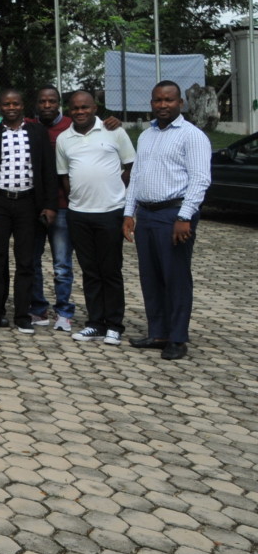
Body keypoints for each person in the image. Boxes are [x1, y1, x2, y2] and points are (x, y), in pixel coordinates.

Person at [124, 81, 211, 360]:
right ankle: (158, 332)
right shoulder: (147, 135)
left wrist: (185, 217)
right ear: (151, 102)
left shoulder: (192, 135)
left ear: (180, 103)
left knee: (175, 277)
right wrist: (129, 213)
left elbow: (200, 179)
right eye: (158, 100)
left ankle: (177, 338)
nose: (163, 105)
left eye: (169, 100)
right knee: (151, 277)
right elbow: (136, 176)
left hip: (174, 214)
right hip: (147, 214)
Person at [0, 89, 58, 335]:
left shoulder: (37, 133)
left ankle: (23, 316)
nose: (11, 107)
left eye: (15, 103)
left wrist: (50, 205)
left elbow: (48, 171)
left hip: (28, 204)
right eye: (6, 104)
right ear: (0, 107)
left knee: (25, 262)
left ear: (23, 105)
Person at [57, 90, 135, 346]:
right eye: (75, 108)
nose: (80, 112)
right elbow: (64, 176)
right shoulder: (63, 139)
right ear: (69, 110)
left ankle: (114, 325)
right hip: (79, 214)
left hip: (110, 213)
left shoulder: (114, 131)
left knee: (110, 271)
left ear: (94, 107)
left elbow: (130, 167)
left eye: (85, 107)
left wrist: (116, 193)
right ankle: (95, 323)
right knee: (90, 272)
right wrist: (77, 199)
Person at [28, 85, 74, 330]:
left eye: (52, 101)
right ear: (36, 103)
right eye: (42, 101)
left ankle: (64, 312)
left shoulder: (70, 125)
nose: (47, 106)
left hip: (63, 205)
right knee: (32, 261)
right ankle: (38, 309)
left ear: (58, 103)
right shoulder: (26, 125)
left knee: (62, 265)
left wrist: (113, 122)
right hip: (33, 206)